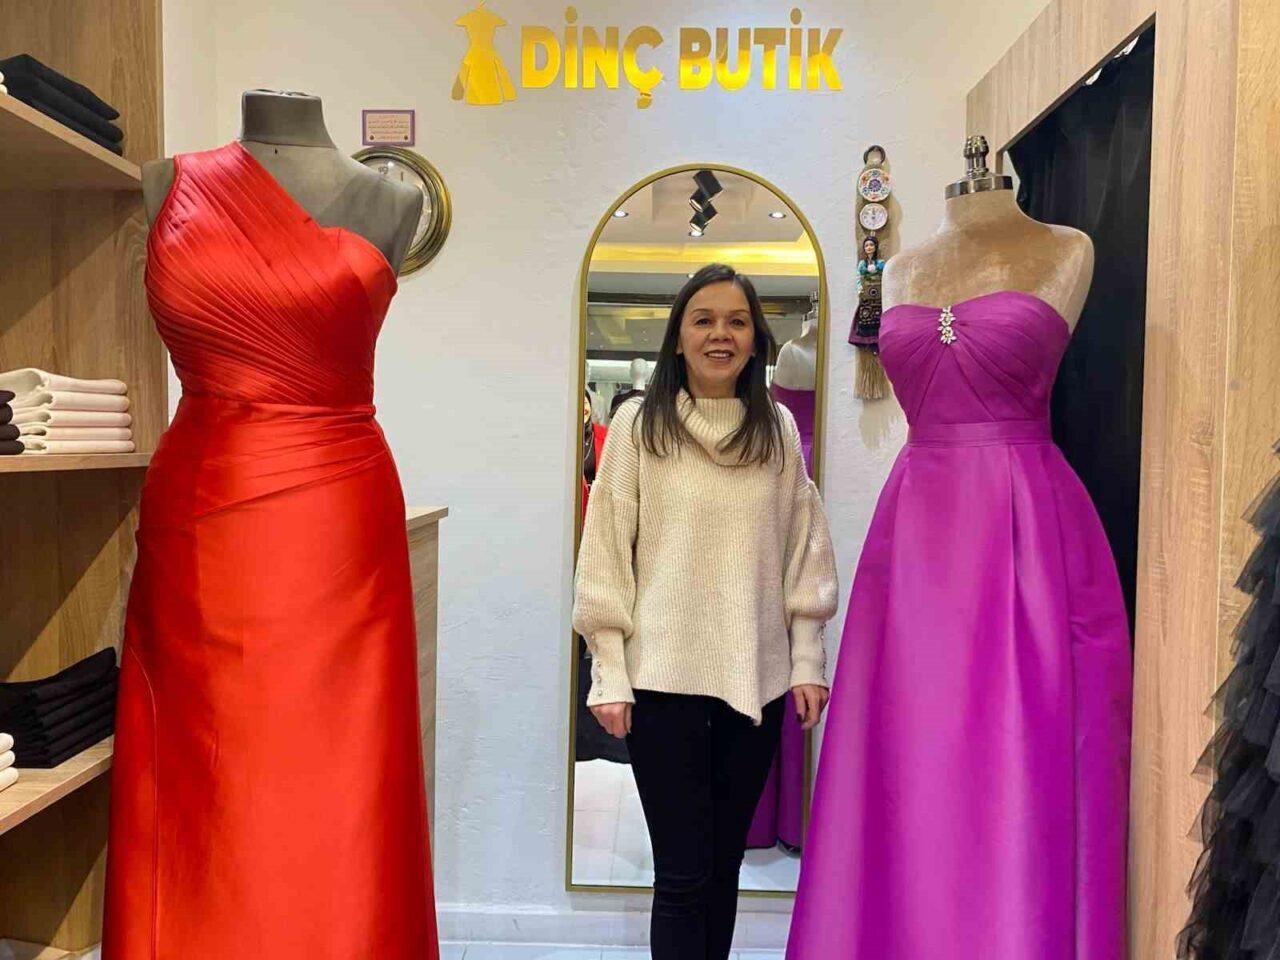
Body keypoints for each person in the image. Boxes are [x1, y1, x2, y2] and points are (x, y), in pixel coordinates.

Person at [572, 263, 839, 960]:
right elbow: (606, 553)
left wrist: (807, 659)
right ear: (678, 336)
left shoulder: (777, 429)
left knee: (724, 868)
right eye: (704, 319)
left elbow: (804, 548)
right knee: (683, 873)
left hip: (757, 683)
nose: (721, 333)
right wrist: (608, 670)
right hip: (661, 683)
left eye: (737, 321)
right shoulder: (639, 426)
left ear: (755, 339)